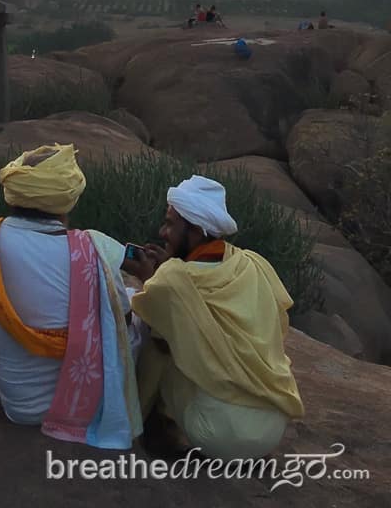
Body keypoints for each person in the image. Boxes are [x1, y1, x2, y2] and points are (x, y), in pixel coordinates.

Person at [0, 144, 143, 450]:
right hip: (85, 408)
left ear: (15, 193)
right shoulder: (95, 250)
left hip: (19, 408)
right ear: (67, 198)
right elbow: (120, 328)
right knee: (138, 309)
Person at [124, 175, 303, 460]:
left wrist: (152, 281)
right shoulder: (251, 263)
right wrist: (167, 273)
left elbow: (161, 318)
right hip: (270, 430)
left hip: (219, 434)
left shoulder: (171, 281)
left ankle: (141, 427)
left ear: (195, 230)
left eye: (170, 224)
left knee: (156, 340)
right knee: (181, 333)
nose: (162, 231)